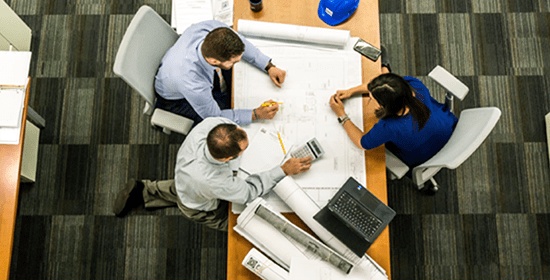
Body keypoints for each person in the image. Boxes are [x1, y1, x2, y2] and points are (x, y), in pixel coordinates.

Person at [113, 117, 312, 231]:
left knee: (180, 188)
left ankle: (145, 190)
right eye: (243, 149)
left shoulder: (212, 125)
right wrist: (283, 170)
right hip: (198, 204)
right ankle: (147, 194)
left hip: (185, 177)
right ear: (227, 159)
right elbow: (249, 192)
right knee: (235, 223)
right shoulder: (216, 181)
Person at [328, 63, 457, 177]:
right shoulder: (414, 85)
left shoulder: (390, 126)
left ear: (383, 106)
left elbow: (362, 143)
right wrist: (351, 91)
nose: (370, 99)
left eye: (372, 99)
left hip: (423, 155)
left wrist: (341, 114)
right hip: (449, 128)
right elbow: (388, 86)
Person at [154, 20, 287, 126]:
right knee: (223, 122)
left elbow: (241, 43)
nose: (237, 62)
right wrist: (255, 114)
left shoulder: (212, 29)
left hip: (179, 68)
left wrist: (268, 66)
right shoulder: (193, 83)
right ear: (214, 61)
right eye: (234, 62)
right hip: (176, 100)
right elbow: (215, 116)